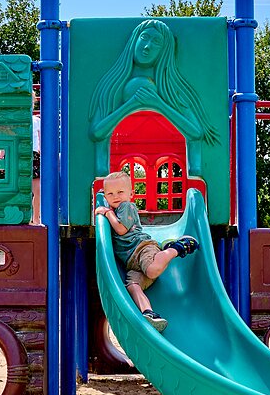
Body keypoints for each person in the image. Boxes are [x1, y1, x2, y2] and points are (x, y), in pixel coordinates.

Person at [87, 19, 219, 176]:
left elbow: (196, 133)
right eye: (144, 37)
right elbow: (96, 133)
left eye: (156, 42)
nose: (147, 46)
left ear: (164, 51)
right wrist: (131, 105)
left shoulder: (171, 88)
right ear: (134, 40)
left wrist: (158, 104)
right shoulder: (112, 86)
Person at [95, 170, 199, 332]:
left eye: (120, 192)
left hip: (142, 248)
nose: (115, 196)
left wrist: (107, 212)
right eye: (110, 193)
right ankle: (149, 312)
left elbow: (121, 229)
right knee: (132, 285)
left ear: (132, 194)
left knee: (152, 271)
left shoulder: (126, 206)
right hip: (132, 263)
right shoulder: (116, 209)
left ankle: (176, 248)